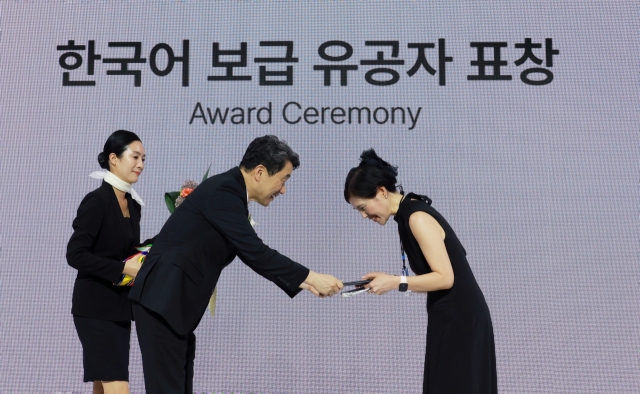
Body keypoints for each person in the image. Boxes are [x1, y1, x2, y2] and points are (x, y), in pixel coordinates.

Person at [129, 135, 343, 393]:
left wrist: (308, 283)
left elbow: (253, 254)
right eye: (283, 179)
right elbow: (256, 253)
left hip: (172, 307)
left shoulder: (229, 194)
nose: (283, 189)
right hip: (162, 303)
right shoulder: (225, 192)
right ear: (260, 172)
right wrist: (312, 277)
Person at [344, 149, 498, 394]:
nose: (364, 216)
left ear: (382, 192)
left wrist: (395, 282)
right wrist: (390, 280)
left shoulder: (416, 217)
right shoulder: (406, 215)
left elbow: (445, 278)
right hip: (448, 315)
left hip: (462, 319)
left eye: (363, 207)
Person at [67, 130, 150, 394]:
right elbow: (75, 254)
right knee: (117, 387)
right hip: (94, 309)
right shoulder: (98, 201)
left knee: (103, 389)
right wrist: (121, 269)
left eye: (143, 159)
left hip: (119, 309)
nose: (140, 164)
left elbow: (129, 251)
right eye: (135, 157)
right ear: (113, 159)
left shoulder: (132, 205)